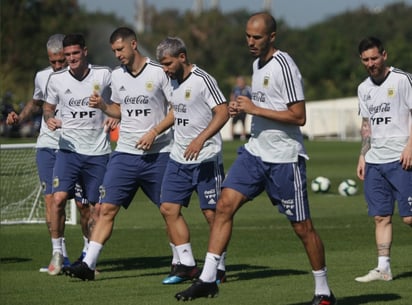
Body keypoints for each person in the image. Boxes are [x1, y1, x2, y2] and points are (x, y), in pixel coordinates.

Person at [174, 12, 336, 305]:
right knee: (224, 204)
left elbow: (299, 116)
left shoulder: (285, 66)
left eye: (257, 37)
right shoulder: (256, 64)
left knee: (302, 228)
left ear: (272, 37)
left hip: (284, 159)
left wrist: (255, 109)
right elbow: (261, 104)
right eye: (248, 36)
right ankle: (208, 279)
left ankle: (323, 291)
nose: (250, 42)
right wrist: (241, 108)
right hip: (255, 152)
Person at [62, 27, 173, 281]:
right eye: (114, 51)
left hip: (159, 154)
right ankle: (87, 265)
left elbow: (175, 110)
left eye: (120, 49)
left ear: (134, 44)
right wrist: (104, 107)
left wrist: (154, 132)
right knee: (104, 208)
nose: (117, 55)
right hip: (125, 153)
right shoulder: (117, 76)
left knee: (169, 210)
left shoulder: (158, 72)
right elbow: (120, 109)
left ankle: (181, 261)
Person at [6, 34, 91, 272]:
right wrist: (18, 118)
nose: (57, 66)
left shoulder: (88, 75)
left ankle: (87, 257)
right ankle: (59, 256)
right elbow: (36, 102)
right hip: (48, 146)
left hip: (77, 147)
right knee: (52, 201)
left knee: (85, 205)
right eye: (52, 62)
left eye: (61, 61)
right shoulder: (42, 76)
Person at [155, 36, 230, 285]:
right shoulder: (172, 80)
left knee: (212, 214)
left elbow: (223, 111)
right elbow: (177, 111)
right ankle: (187, 264)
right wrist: (155, 131)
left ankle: (218, 268)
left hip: (206, 157)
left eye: (167, 63)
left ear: (182, 57)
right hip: (178, 157)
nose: (164, 69)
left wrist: (200, 139)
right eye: (162, 64)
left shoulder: (203, 80)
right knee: (168, 208)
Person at [43, 33, 113, 276]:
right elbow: (48, 107)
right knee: (58, 198)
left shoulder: (104, 74)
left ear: (85, 51)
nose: (71, 58)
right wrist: (50, 118)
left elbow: (120, 100)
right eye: (67, 55)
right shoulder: (56, 80)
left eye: (75, 53)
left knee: (94, 210)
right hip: (68, 150)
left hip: (98, 153)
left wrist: (114, 115)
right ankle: (57, 251)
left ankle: (88, 257)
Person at [354, 37, 412, 283]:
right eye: (366, 60)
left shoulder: (402, 80)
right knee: (381, 216)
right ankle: (383, 268)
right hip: (375, 160)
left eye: (374, 58)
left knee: (409, 217)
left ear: (384, 55)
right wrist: (362, 155)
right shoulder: (363, 88)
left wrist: (411, 145)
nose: (371, 63)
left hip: (402, 158)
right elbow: (366, 124)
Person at [230, 76, 251, 140]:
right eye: (238, 82)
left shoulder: (248, 89)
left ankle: (243, 136)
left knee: (243, 123)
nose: (239, 83)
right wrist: (232, 103)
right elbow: (232, 96)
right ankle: (232, 136)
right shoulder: (235, 88)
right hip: (236, 108)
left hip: (243, 109)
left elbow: (251, 97)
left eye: (241, 81)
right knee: (233, 122)